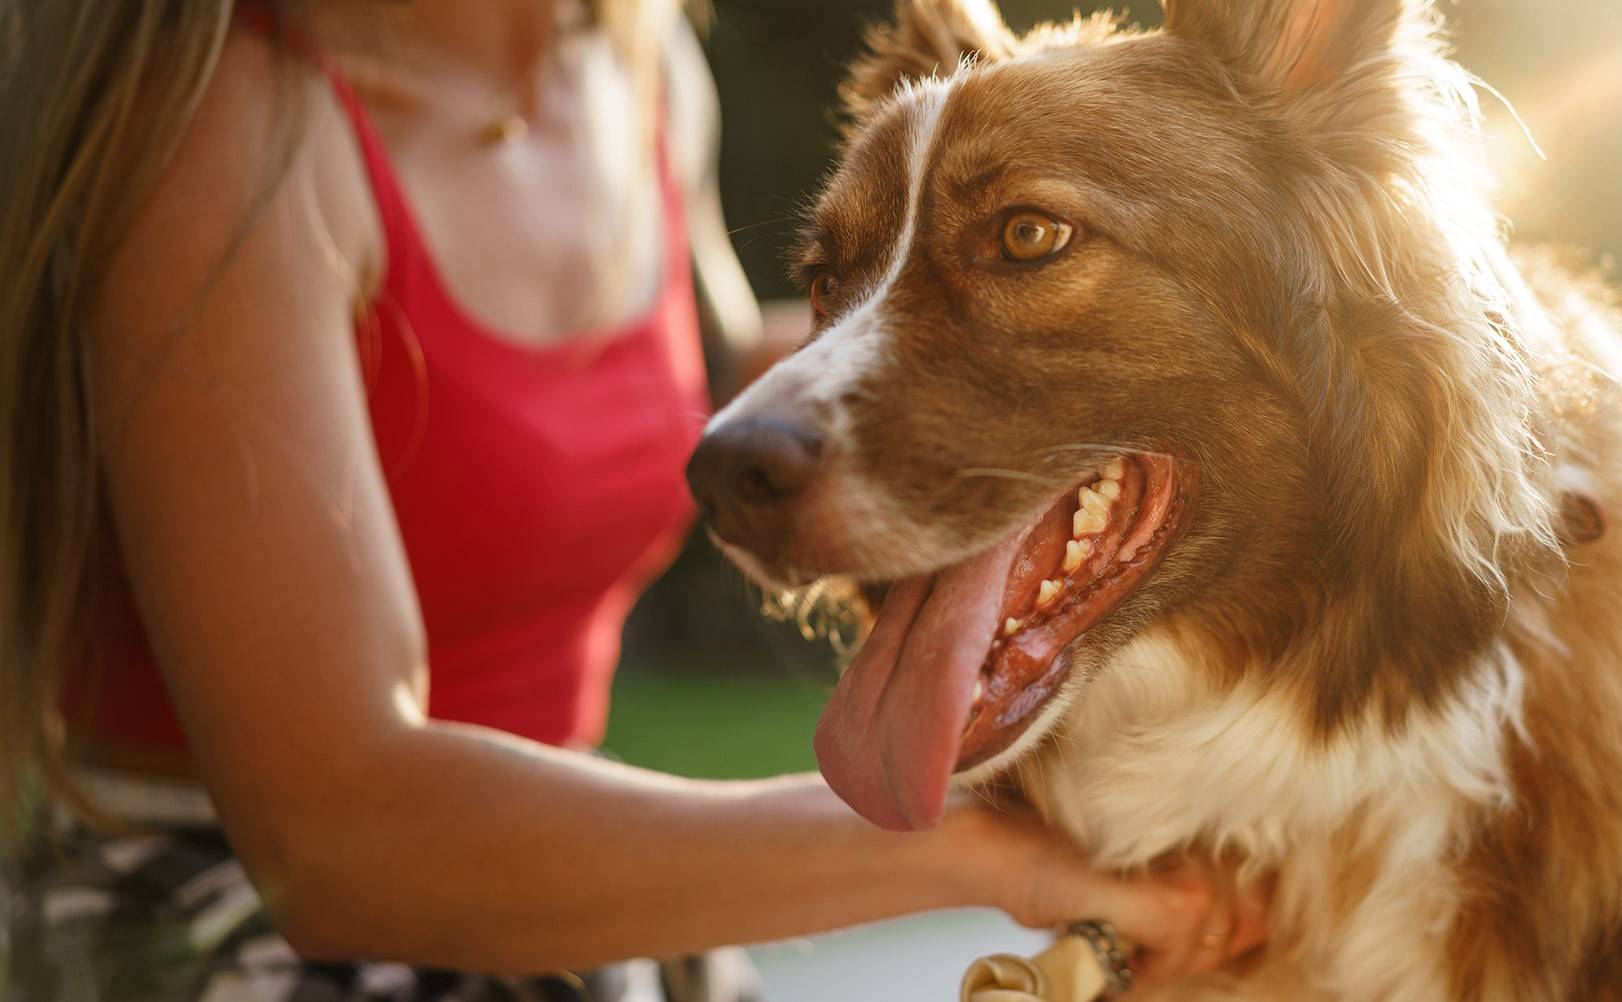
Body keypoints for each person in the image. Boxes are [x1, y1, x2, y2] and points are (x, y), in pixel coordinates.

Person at [0, 1, 1262, 999]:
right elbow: (338, 844)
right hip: (206, 929)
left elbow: (718, 395)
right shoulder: (215, 130)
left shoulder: (636, 66)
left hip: (566, 900)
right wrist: (1003, 855)